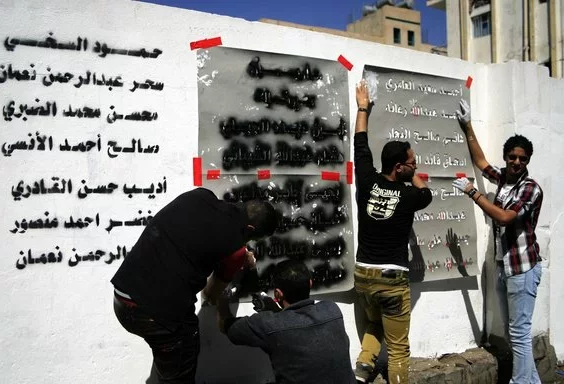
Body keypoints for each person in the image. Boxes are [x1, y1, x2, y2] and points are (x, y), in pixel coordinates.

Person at [110, 187, 277, 383]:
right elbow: (209, 294)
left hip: (122, 295)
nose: (248, 243)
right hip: (153, 314)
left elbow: (196, 237)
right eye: (253, 238)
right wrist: (236, 266)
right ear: (249, 230)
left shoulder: (200, 195)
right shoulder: (235, 251)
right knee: (182, 364)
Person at [452, 99, 543, 384]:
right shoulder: (504, 178)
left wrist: (473, 194)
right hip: (505, 266)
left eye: (523, 158)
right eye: (512, 157)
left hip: (523, 269)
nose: (517, 162)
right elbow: (480, 163)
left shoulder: (530, 188)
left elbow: (505, 218)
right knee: (513, 331)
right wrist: (467, 125)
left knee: (519, 333)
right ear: (506, 157)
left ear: (528, 160)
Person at [352, 80, 433, 384]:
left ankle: (361, 371)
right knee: (398, 350)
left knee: (374, 326)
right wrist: (415, 177)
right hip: (391, 278)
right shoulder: (413, 195)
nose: (416, 166)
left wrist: (363, 107)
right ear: (400, 167)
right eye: (412, 163)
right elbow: (426, 193)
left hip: (363, 275)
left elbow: (360, 143)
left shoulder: (367, 181)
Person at [217, 259, 356, 384]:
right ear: (310, 283)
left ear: (277, 294)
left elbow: (225, 325)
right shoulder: (332, 310)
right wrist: (275, 310)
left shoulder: (267, 324)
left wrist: (222, 298)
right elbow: (295, 327)